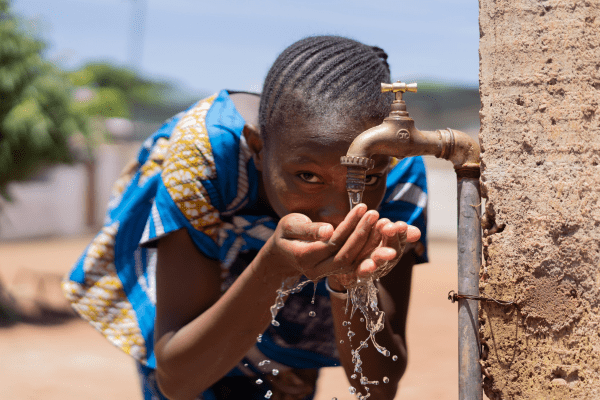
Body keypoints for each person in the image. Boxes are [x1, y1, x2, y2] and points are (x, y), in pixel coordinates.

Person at [62, 35, 428, 400]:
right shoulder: (206, 151)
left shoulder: (396, 164)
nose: (338, 217)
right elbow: (178, 380)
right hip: (200, 301)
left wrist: (349, 282)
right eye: (308, 177)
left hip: (285, 316)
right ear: (257, 148)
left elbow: (377, 387)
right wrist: (273, 267)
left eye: (368, 179)